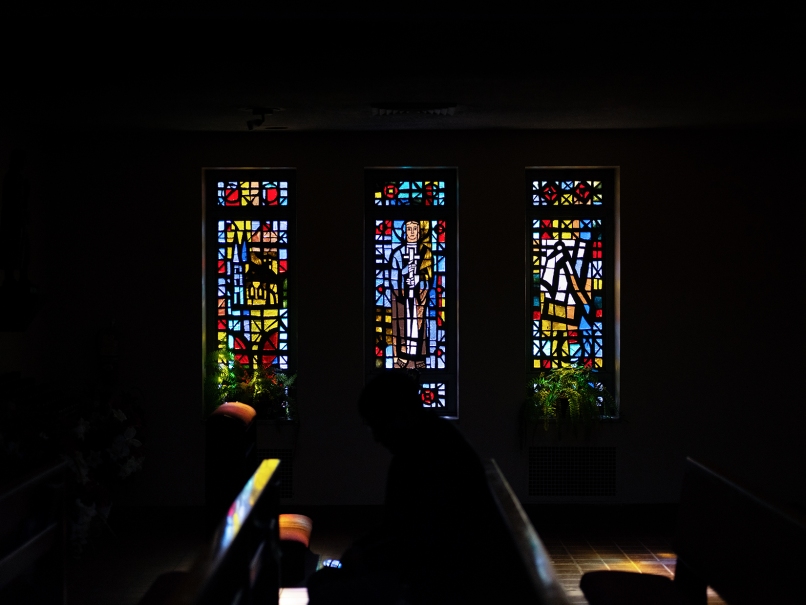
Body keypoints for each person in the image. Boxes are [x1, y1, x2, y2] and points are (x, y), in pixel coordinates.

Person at [307, 372, 511, 605]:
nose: (376, 437)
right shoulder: (433, 439)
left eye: (378, 425)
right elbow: (404, 527)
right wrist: (362, 549)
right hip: (440, 568)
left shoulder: (428, 455)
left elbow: (425, 542)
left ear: (401, 416)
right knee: (326, 582)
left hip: (447, 581)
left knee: (326, 590)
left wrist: (366, 556)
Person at [390, 221, 432, 370]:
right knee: (402, 325)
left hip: (418, 297)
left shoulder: (425, 253)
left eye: (415, 229)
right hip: (402, 298)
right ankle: (402, 355)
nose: (412, 232)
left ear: (419, 233)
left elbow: (428, 276)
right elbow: (393, 277)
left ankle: (419, 356)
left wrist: (418, 279)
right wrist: (403, 276)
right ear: (405, 232)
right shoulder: (398, 254)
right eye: (409, 229)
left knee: (419, 326)